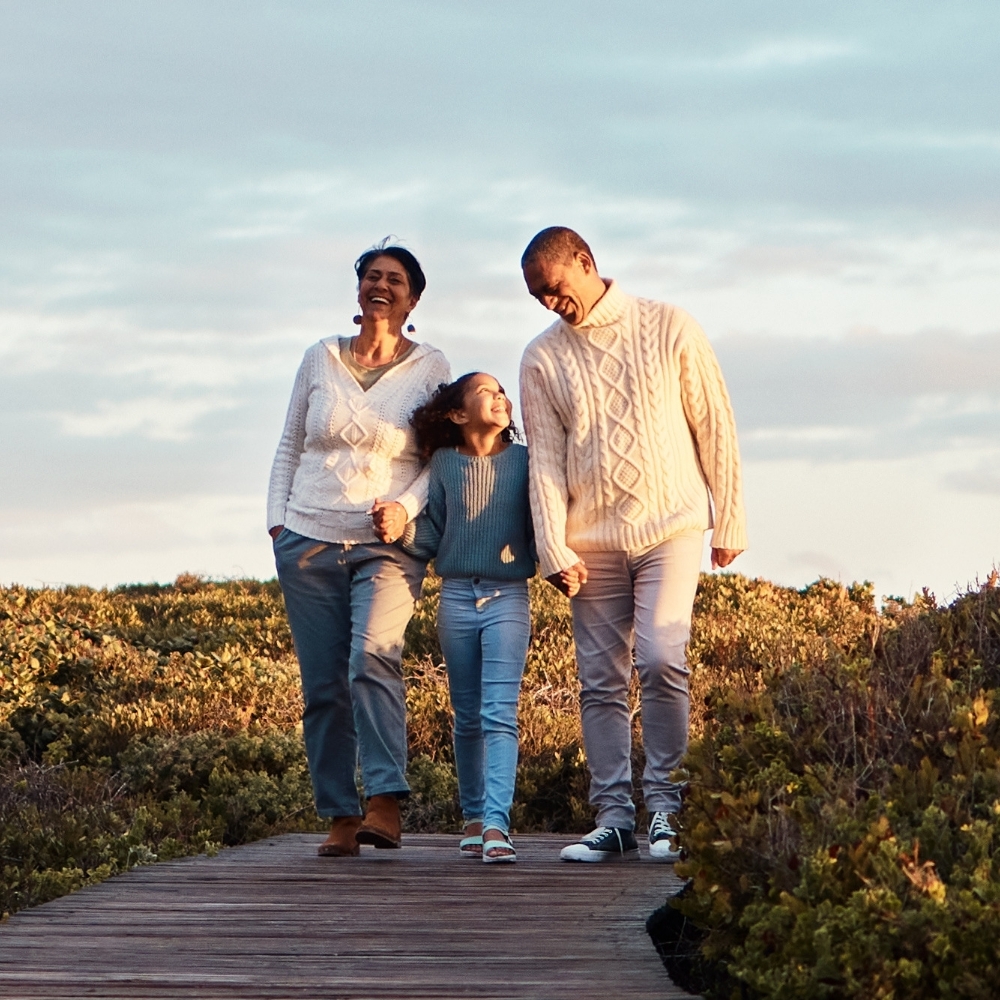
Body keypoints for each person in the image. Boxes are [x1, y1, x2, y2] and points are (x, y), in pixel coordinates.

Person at [518, 226, 746, 862]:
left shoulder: (670, 325)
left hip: (670, 525)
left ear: (586, 263)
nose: (549, 304)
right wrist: (552, 548)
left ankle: (667, 808)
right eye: (537, 297)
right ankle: (615, 817)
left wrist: (729, 520)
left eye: (555, 288)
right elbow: (545, 463)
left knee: (661, 657)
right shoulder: (541, 358)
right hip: (590, 542)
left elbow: (714, 424)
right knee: (599, 680)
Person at [267, 240, 450, 857]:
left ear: (413, 298)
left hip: (386, 544)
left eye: (394, 280)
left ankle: (385, 803)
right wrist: (276, 524)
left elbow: (439, 458)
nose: (381, 286)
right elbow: (290, 444)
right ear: (358, 291)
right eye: (372, 276)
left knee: (373, 658)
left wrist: (407, 509)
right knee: (323, 686)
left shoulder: (430, 368)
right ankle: (340, 815)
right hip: (306, 539)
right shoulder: (318, 358)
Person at [406, 373, 536, 863]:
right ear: (458, 415)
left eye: (502, 390)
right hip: (456, 596)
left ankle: (498, 825)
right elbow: (432, 537)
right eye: (486, 391)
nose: (500, 396)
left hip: (508, 596)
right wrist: (398, 532)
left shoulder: (526, 462)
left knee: (499, 712)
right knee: (466, 716)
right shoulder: (443, 465)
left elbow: (542, 525)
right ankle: (475, 815)